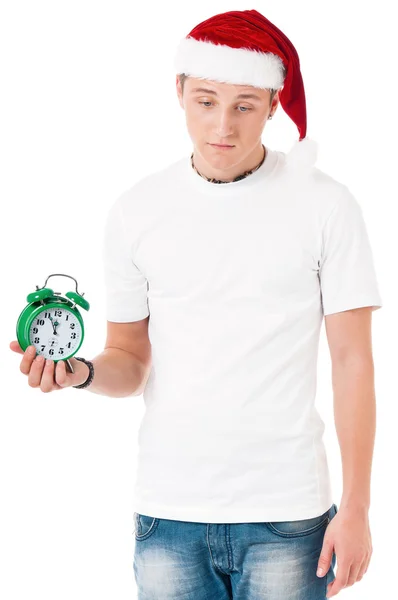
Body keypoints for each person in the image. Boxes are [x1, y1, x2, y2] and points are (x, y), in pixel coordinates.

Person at [10, 9, 382, 600]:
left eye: (245, 105)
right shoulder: (136, 211)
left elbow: (353, 363)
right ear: (179, 90)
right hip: (168, 513)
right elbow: (130, 360)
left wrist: (357, 508)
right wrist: (78, 373)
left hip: (287, 512)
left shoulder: (326, 206)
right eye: (206, 101)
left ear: (273, 103)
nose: (223, 128)